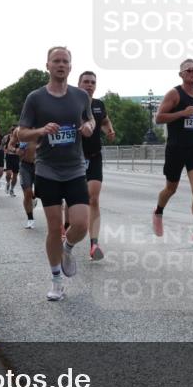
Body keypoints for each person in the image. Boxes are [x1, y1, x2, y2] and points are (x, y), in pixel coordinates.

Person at [17, 46, 95, 301]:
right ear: (47, 66)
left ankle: (68, 249)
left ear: (70, 67)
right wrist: (40, 131)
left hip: (74, 168)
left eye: (65, 61)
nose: (61, 65)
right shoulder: (35, 98)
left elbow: (90, 119)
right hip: (47, 169)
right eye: (56, 61)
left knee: (81, 223)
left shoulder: (81, 96)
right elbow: (21, 132)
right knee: (53, 227)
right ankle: (56, 282)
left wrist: (88, 126)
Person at [151, 58, 193, 247]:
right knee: (171, 189)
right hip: (176, 149)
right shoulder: (174, 94)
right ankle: (158, 212)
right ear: (181, 74)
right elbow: (159, 118)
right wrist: (181, 113)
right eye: (189, 70)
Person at [78, 70, 116, 260]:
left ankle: (94, 244)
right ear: (79, 84)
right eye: (86, 82)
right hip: (73, 158)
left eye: (93, 82)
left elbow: (105, 120)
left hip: (94, 156)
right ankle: (66, 228)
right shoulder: (71, 103)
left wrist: (109, 129)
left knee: (93, 199)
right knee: (71, 201)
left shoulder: (99, 105)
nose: (89, 85)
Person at [9, 126, 39, 227]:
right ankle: (30, 219)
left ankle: (34, 196)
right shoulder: (18, 130)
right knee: (27, 193)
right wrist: (15, 150)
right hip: (25, 165)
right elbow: (10, 145)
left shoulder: (41, 126)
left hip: (41, 165)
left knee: (41, 191)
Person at [2, 130, 19, 197]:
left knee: (15, 175)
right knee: (8, 173)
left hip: (17, 157)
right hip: (9, 156)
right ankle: (8, 183)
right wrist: (4, 150)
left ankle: (12, 189)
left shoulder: (21, 138)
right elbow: (2, 144)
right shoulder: (7, 137)